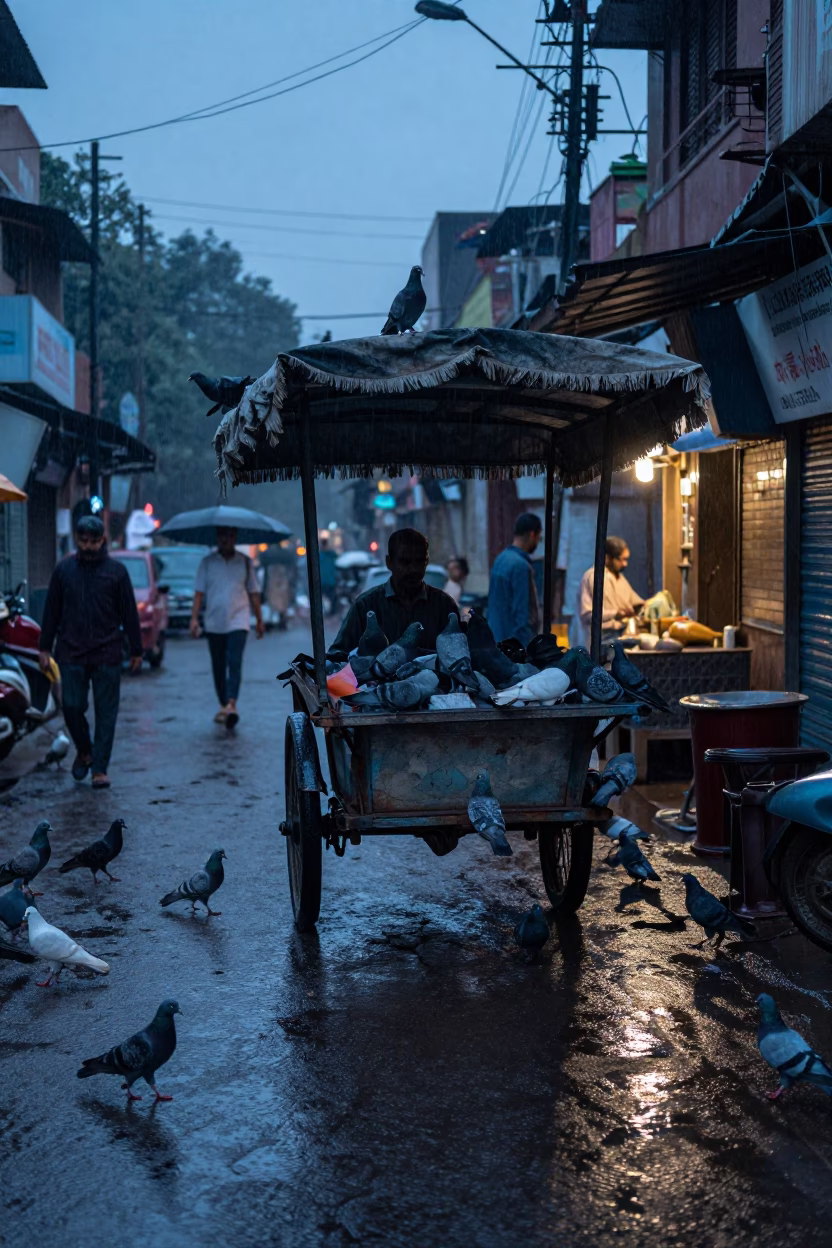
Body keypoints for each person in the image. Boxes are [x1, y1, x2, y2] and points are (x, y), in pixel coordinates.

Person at [39, 514, 142, 789]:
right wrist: (44, 648)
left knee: (107, 713)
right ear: (76, 539)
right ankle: (85, 750)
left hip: (107, 651)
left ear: (102, 540)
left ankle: (99, 768)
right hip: (70, 651)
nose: (88, 546)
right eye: (83, 540)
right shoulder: (63, 571)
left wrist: (137, 649)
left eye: (93, 541)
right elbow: (51, 612)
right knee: (71, 706)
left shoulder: (117, 573)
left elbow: (129, 613)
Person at [329, 528, 458, 659]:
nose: (412, 569)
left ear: (426, 562)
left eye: (419, 562)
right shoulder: (365, 605)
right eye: (404, 562)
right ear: (389, 562)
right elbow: (338, 656)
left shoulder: (444, 606)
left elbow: (460, 655)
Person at [191, 527, 264, 730]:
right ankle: (223, 703)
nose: (225, 540)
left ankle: (231, 703)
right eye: (221, 536)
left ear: (234, 538)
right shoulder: (207, 563)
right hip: (214, 622)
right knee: (218, 664)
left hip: (238, 620)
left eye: (229, 536)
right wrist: (194, 619)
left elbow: (254, 592)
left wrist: (259, 619)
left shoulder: (245, 562)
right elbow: (199, 593)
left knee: (234, 661)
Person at [577, 536, 644, 648]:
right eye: (621, 560)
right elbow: (587, 615)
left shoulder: (620, 578)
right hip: (597, 643)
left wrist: (646, 606)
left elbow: (635, 602)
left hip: (618, 640)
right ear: (607, 557)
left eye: (626, 560)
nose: (625, 564)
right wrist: (616, 614)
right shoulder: (593, 577)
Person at [487, 513, 542, 647]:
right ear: (532, 535)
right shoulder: (520, 566)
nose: (538, 542)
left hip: (496, 640)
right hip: (512, 647)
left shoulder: (501, 559)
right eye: (539, 538)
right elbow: (522, 615)